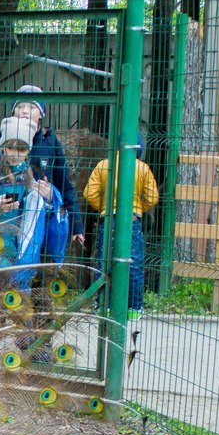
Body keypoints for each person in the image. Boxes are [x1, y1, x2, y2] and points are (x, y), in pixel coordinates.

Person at [0, 116, 56, 289]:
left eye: (21, 149)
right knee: (12, 283)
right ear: (2, 146)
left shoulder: (24, 172)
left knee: (5, 298)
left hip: (8, 246)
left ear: (28, 151)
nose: (15, 154)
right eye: (10, 147)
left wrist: (46, 197)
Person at [83, 135, 159, 319]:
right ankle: (134, 308)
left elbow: (89, 194)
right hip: (132, 221)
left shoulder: (103, 165)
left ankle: (103, 306)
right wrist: (138, 207)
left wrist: (105, 207)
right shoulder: (142, 168)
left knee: (104, 262)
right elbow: (152, 197)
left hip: (108, 219)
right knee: (133, 264)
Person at [10, 85, 85, 256]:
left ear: (41, 114)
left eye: (31, 107)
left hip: (42, 219)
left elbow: (64, 184)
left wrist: (76, 225)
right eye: (20, 106)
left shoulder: (50, 142)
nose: (24, 112)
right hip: (9, 219)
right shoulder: (3, 139)